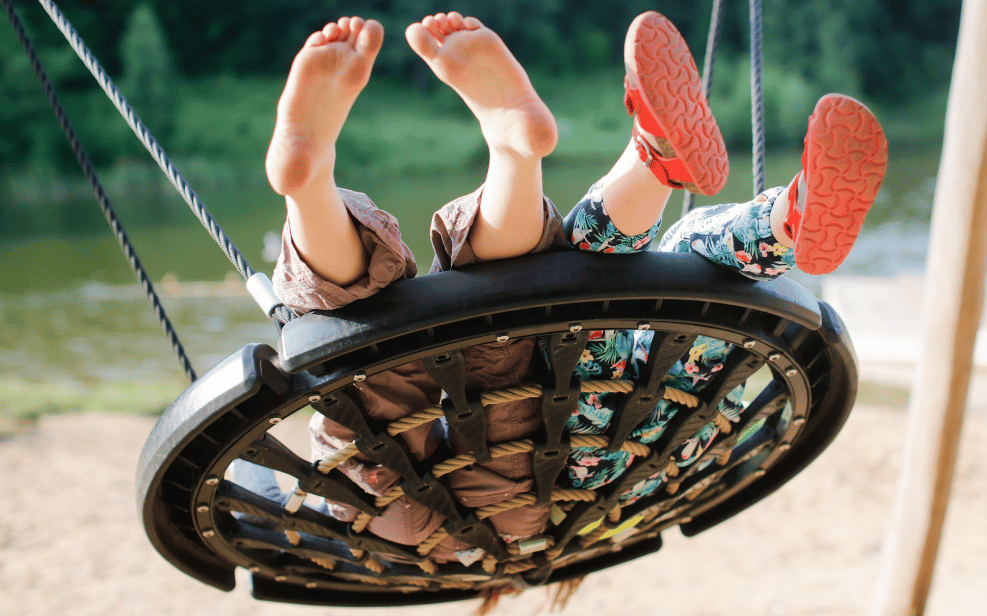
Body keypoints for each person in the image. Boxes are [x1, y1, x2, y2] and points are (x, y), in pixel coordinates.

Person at [260, 8, 886, 582]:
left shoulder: (624, 508)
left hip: (601, 442)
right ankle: (381, 180)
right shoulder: (591, 528)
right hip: (517, 467)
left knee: (632, 270)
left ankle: (775, 217)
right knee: (427, 366)